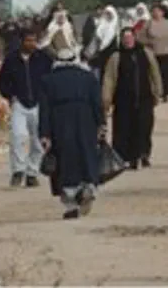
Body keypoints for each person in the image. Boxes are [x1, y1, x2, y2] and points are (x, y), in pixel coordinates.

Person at [39, 48, 103, 219]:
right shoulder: (88, 78)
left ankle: (70, 202)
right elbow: (97, 103)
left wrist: (44, 133)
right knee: (87, 154)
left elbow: (44, 110)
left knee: (65, 159)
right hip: (85, 119)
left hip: (59, 122)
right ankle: (88, 186)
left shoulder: (47, 80)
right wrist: (101, 124)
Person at [0, 29, 53, 187]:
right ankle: (18, 170)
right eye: (28, 41)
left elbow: (50, 79)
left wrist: (47, 97)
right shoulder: (11, 59)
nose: (32, 44)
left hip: (39, 104)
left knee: (38, 140)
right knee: (18, 136)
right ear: (22, 41)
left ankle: (32, 173)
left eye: (34, 40)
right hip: (19, 103)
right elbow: (2, 81)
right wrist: (10, 95)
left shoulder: (43, 58)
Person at [102, 28, 163, 170]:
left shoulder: (145, 53)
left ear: (134, 38)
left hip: (144, 98)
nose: (127, 41)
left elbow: (155, 73)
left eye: (130, 38)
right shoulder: (116, 57)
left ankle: (143, 154)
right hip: (123, 100)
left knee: (144, 127)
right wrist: (106, 99)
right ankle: (124, 158)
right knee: (123, 129)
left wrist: (157, 92)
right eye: (125, 38)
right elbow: (109, 79)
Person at [140, 5, 168, 101]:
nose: (156, 13)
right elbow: (140, 37)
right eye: (154, 11)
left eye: (158, 11)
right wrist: (148, 42)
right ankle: (155, 92)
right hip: (154, 53)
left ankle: (165, 93)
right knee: (155, 74)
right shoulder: (148, 24)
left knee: (166, 74)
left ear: (163, 12)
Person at [83, 5, 120, 81]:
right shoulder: (101, 25)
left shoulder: (115, 27)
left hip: (112, 53)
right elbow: (95, 40)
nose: (108, 16)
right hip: (100, 54)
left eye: (110, 14)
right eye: (107, 13)